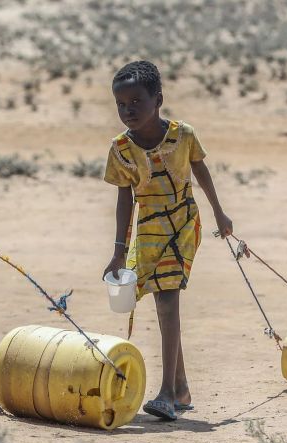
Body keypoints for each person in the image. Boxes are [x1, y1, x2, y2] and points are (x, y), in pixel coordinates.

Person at [102, 61, 235, 421]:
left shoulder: (183, 135)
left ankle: (166, 395)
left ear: (157, 99)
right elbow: (123, 199)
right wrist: (118, 252)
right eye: (121, 105)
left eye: (136, 102)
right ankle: (180, 387)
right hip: (147, 228)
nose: (128, 111)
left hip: (181, 221)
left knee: (167, 298)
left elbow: (200, 170)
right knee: (158, 300)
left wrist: (220, 214)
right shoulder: (120, 149)